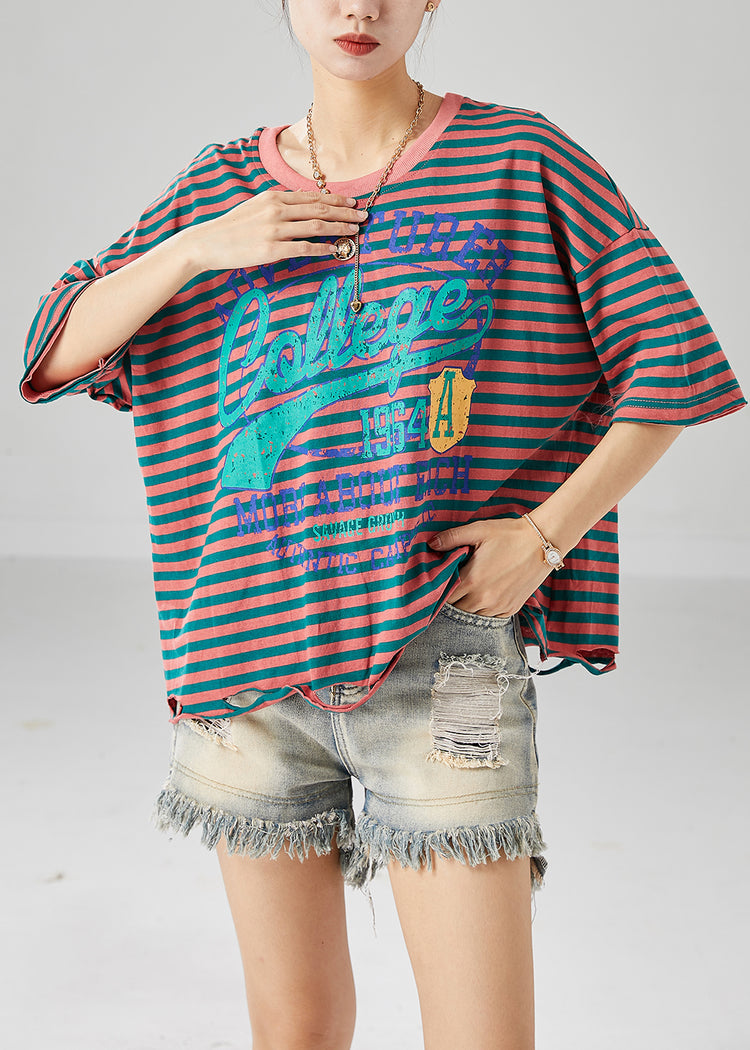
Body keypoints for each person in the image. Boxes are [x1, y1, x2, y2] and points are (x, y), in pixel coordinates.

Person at [19, 2, 746, 1048]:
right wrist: (196, 249)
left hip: (443, 657)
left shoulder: (519, 160)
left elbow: (671, 358)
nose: (358, 8)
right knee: (297, 1032)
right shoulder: (219, 188)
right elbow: (53, 351)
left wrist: (545, 536)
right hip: (244, 666)